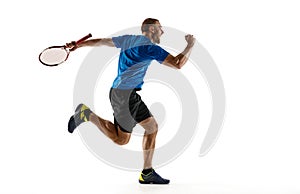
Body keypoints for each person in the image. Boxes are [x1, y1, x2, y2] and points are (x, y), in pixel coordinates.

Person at [67, 18, 195, 184]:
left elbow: (102, 42)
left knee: (151, 127)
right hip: (124, 96)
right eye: (159, 28)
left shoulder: (129, 40)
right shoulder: (150, 48)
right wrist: (190, 45)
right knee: (121, 139)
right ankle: (86, 115)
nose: (162, 31)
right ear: (151, 29)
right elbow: (177, 64)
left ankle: (147, 172)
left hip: (126, 94)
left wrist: (79, 45)